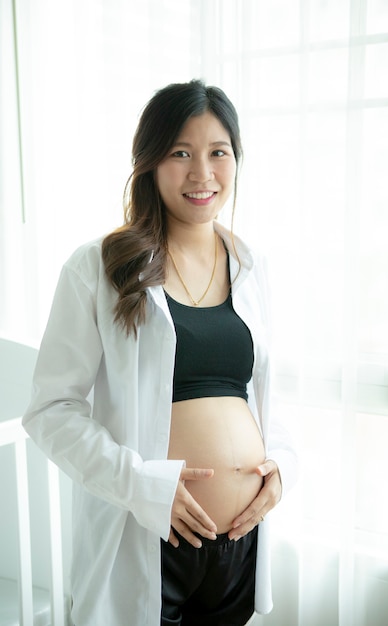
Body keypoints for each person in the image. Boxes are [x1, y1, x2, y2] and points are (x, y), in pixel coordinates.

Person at [23, 79, 298, 626]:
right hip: (147, 535)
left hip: (238, 545)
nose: (202, 173)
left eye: (218, 152)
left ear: (236, 161)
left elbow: (268, 396)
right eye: (180, 153)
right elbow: (50, 411)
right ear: (149, 161)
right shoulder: (98, 266)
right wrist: (143, 485)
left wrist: (281, 470)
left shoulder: (251, 265)